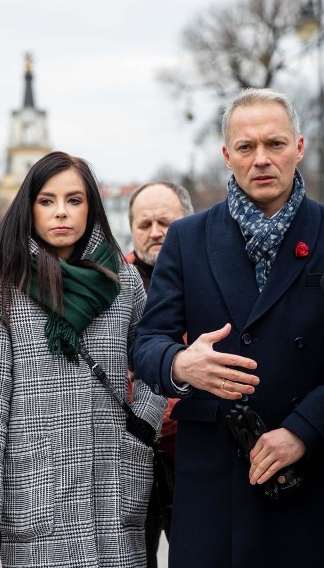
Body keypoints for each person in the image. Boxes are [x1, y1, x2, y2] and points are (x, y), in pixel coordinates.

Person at [131, 87, 324, 568]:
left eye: (275, 144)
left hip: (318, 473)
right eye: (246, 148)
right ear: (227, 156)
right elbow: (147, 343)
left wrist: (303, 430)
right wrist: (181, 364)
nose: (261, 160)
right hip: (217, 480)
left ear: (300, 148)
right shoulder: (187, 239)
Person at [0, 151, 166, 568]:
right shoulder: (2, 287)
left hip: (113, 482)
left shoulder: (122, 279)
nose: (61, 212)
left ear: (90, 206)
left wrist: (144, 423)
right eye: (47, 200)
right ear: (29, 207)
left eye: (74, 200)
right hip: (36, 489)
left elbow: (153, 356)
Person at [125, 180, 193, 568]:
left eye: (165, 221)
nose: (155, 232)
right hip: (130, 454)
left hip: (189, 451)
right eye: (144, 223)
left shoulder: (205, 275)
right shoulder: (111, 285)